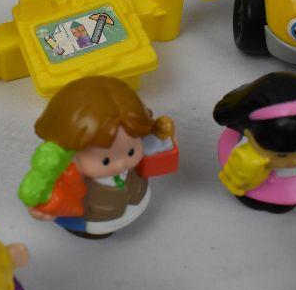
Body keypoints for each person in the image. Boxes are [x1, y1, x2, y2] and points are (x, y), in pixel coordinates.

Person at [18, 76, 177, 238]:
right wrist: (46, 208)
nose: (121, 164)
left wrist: (161, 137)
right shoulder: (68, 179)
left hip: (132, 202)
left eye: (130, 152)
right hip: (91, 220)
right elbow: (48, 196)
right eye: (105, 160)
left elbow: (153, 145)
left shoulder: (133, 162)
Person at [213, 72, 296, 214]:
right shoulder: (247, 154)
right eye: (282, 155)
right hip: (258, 180)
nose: (294, 161)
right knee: (254, 194)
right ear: (250, 135)